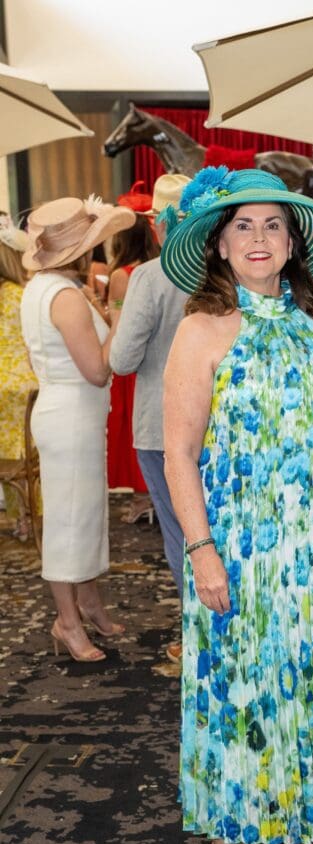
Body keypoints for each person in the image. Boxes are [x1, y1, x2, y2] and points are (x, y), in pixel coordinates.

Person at [161, 166, 313, 844]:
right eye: (243, 225)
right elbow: (178, 454)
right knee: (240, 689)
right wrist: (201, 551)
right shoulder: (201, 330)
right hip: (240, 550)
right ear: (219, 244)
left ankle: (295, 808)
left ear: (292, 242)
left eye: (273, 225)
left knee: (312, 676)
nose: (259, 237)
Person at [20, 196, 135, 661]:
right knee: (69, 522)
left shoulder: (44, 288)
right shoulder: (64, 296)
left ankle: (88, 604)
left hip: (69, 413)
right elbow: (97, 369)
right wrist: (121, 318)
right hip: (71, 415)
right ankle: (67, 621)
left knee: (83, 515)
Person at [108, 174, 189, 663]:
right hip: (220, 423)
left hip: (161, 425)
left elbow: (121, 360)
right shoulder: (226, 269)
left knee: (181, 533)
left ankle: (196, 632)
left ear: (159, 223)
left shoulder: (150, 277)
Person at [106, 209, 159, 524]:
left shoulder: (121, 275)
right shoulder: (158, 269)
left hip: (129, 361)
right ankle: (151, 495)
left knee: (131, 428)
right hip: (153, 360)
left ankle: (141, 499)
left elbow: (117, 323)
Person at [0, 215, 36, 540]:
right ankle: (32, 518)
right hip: (25, 385)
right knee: (29, 461)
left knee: (7, 460)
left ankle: (18, 519)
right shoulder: (22, 295)